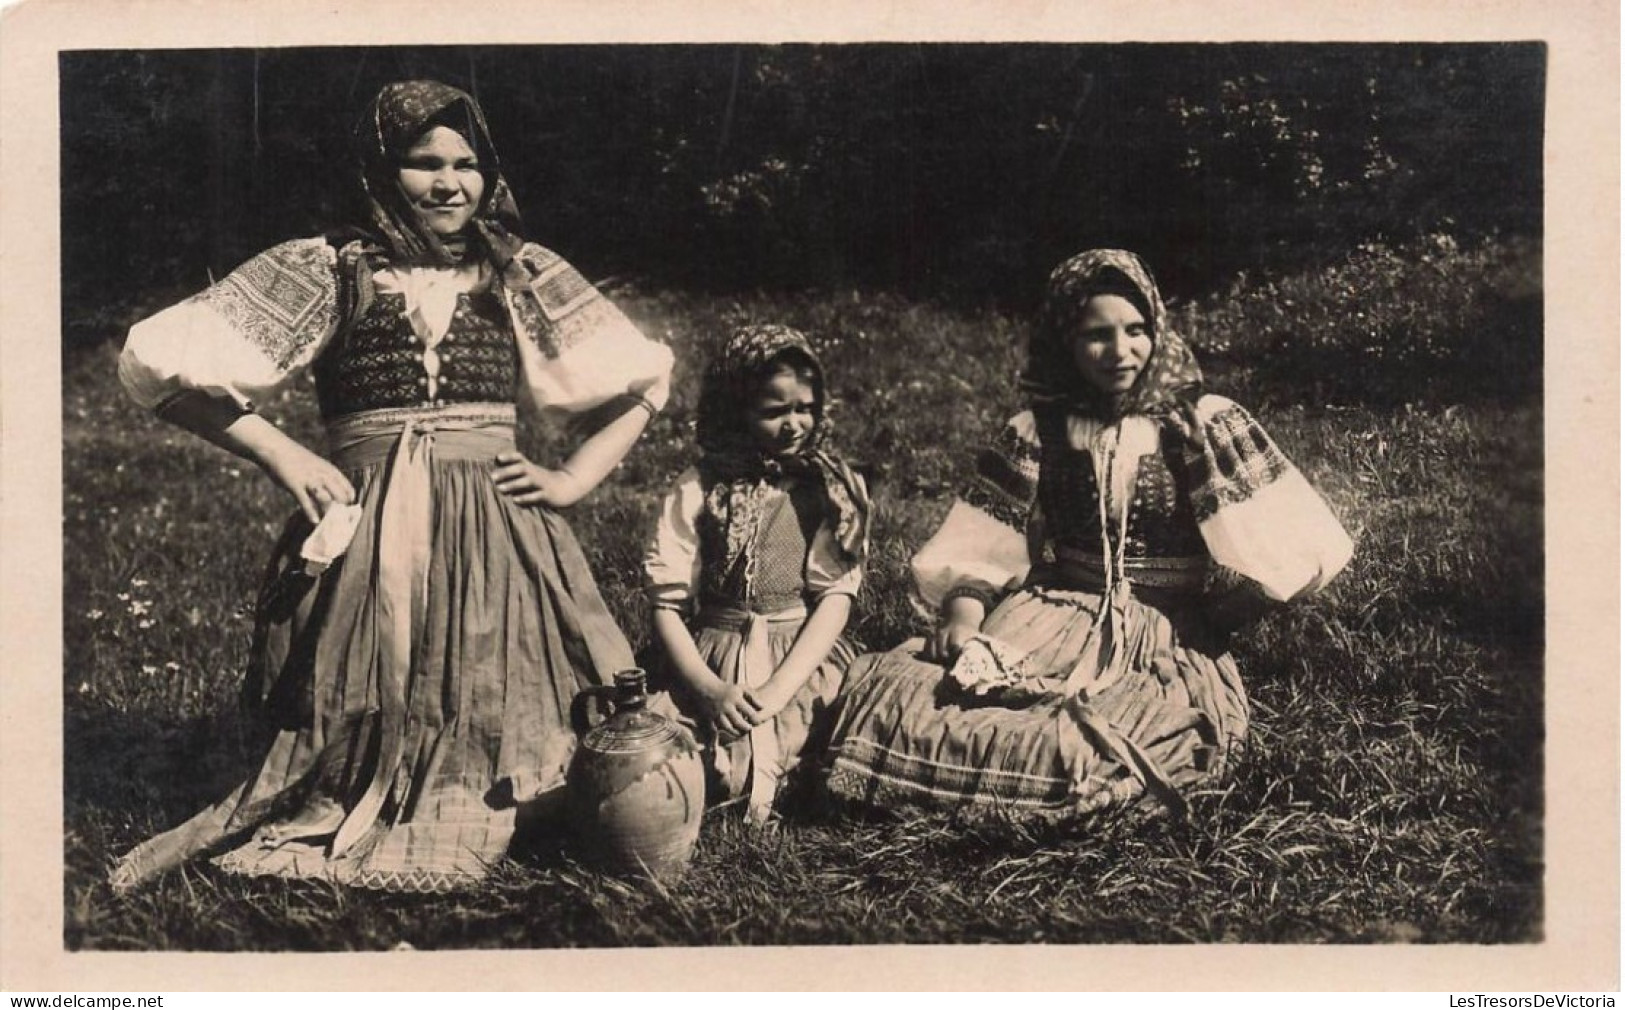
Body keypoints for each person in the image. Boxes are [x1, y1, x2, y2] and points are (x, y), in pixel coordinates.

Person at [109, 80, 673, 892]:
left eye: (467, 164)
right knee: (353, 697)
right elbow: (153, 367)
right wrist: (284, 454)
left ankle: (486, 792)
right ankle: (356, 785)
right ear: (380, 170)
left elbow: (642, 379)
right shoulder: (329, 268)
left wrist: (576, 474)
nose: (449, 183)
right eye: (423, 163)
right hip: (369, 530)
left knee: (500, 678)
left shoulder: (515, 272)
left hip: (495, 527)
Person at [823, 249, 1352, 820]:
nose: (1120, 351)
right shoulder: (1041, 427)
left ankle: (1067, 781)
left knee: (1092, 743)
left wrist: (1218, 615)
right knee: (907, 699)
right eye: (1097, 335)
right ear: (1064, 342)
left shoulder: (1199, 422)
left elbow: (1300, 548)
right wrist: (964, 614)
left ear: (1157, 327)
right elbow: (982, 539)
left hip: (1160, 631)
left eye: (1136, 330)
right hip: (1049, 612)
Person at [643, 325, 870, 822]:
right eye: (774, 411)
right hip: (713, 654)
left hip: (799, 654)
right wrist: (709, 689)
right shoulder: (700, 485)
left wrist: (774, 692)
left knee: (832, 746)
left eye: (805, 408)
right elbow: (667, 603)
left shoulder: (828, 487)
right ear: (734, 409)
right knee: (663, 762)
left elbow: (835, 599)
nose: (794, 425)